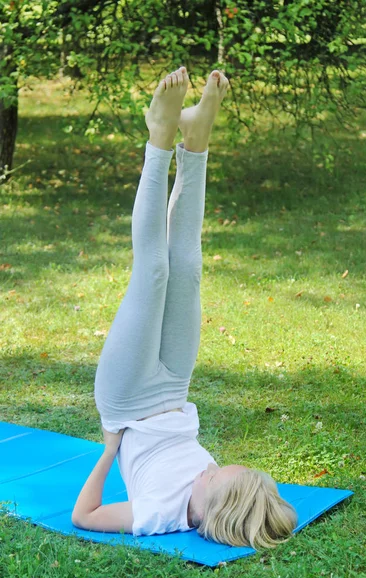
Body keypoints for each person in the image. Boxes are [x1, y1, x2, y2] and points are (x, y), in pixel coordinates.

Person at [72, 66, 297, 549]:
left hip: (127, 399)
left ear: (210, 500)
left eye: (215, 473)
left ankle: (159, 138)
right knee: (188, 268)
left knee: (153, 271)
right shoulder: (223, 490)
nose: (213, 465)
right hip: (174, 384)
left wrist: (110, 450)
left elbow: (84, 515)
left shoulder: (160, 513)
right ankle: (195, 141)